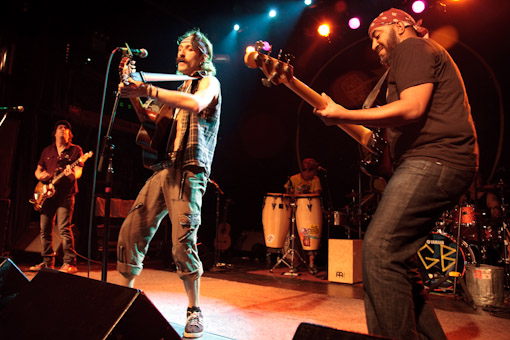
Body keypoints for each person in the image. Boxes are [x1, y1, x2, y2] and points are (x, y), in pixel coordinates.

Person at [313, 8, 478, 340]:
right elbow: (374, 138)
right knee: (397, 260)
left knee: (379, 249)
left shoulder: (413, 47)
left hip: (436, 159)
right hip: (437, 162)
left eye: (376, 36)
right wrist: (339, 116)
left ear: (401, 27)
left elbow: (413, 107)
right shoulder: (406, 65)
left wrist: (346, 111)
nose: (373, 46)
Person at [117, 29, 221, 339]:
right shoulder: (180, 89)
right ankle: (124, 300)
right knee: (132, 230)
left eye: (187, 49)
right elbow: (151, 125)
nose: (180, 53)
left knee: (181, 244)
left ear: (202, 55)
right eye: (180, 48)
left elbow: (194, 104)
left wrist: (147, 88)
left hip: (190, 170)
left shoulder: (209, 84)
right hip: (165, 169)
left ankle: (194, 309)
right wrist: (134, 93)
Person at [29, 120, 83, 274]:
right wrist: (42, 176)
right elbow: (38, 171)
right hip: (47, 194)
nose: (63, 130)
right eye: (60, 127)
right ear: (55, 133)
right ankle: (47, 262)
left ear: (69, 134)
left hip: (66, 194)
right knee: (44, 229)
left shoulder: (75, 150)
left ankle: (69, 263)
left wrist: (71, 174)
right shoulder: (47, 151)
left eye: (66, 128)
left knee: (64, 228)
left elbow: (78, 171)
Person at [284, 158, 322, 273]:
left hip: (311, 210)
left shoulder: (316, 179)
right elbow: (287, 193)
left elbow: (318, 194)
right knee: (294, 235)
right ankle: (295, 262)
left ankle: (311, 263)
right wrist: (294, 195)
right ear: (307, 170)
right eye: (314, 170)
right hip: (296, 209)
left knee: (312, 234)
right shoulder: (293, 179)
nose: (315, 173)